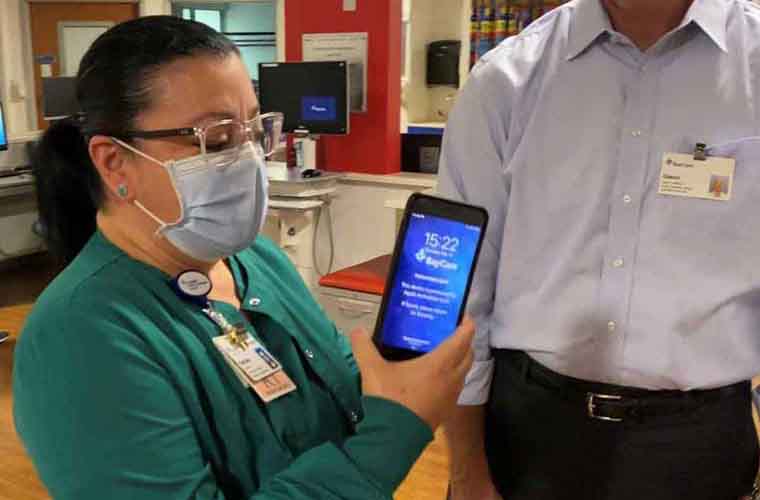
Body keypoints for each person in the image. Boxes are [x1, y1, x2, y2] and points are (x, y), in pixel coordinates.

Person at [12, 16, 475, 500]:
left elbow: (342, 391)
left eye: (255, 129)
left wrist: (398, 370)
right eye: (215, 138)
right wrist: (395, 432)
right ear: (113, 161)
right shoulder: (81, 336)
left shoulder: (258, 261)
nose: (250, 158)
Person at [438, 1, 760, 499]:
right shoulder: (506, 79)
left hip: (698, 445)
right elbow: (461, 294)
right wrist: (466, 474)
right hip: (528, 433)